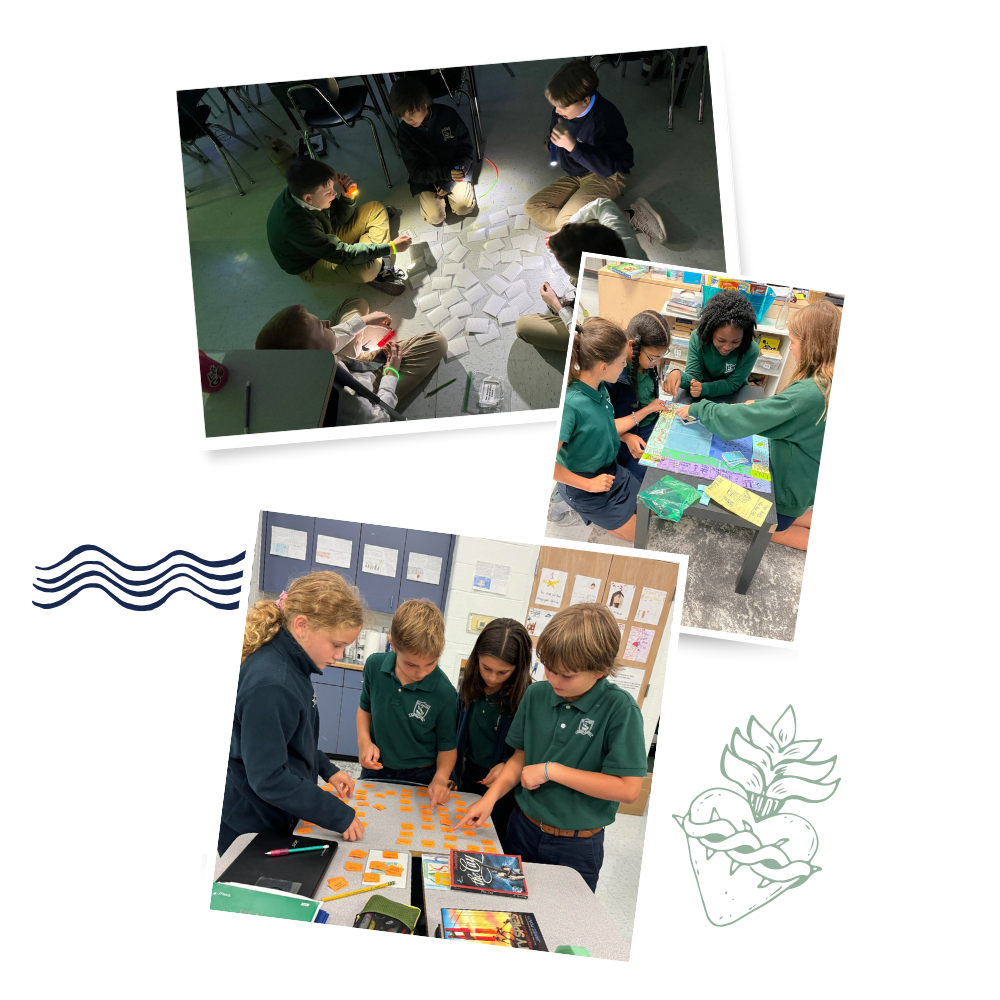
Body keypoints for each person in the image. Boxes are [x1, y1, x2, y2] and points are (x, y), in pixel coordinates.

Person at [457, 604, 647, 892]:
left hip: (577, 844)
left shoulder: (620, 710)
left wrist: (552, 771)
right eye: (549, 669)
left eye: (566, 675)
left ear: (600, 670)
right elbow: (519, 758)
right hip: (522, 828)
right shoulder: (536, 695)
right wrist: (490, 799)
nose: (554, 680)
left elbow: (628, 789)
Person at [219, 572, 366, 855]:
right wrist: (337, 813)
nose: (339, 655)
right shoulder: (273, 683)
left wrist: (327, 769)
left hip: (274, 809)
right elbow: (269, 777)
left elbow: (293, 739)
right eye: (336, 645)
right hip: (253, 822)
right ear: (302, 626)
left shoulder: (293, 665)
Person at [676, 299, 841, 550]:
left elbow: (741, 421)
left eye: (793, 342)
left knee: (771, 531)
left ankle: (785, 524)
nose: (792, 349)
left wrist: (698, 408)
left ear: (811, 345)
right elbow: (776, 410)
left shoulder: (810, 393)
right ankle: (796, 517)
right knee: (790, 515)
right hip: (801, 483)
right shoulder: (822, 381)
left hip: (789, 490)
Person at [552, 318, 667, 540]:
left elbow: (605, 427)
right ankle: (573, 503)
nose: (626, 366)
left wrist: (625, 438)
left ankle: (606, 509)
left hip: (611, 470)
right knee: (640, 534)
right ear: (604, 367)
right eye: (623, 361)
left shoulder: (600, 387)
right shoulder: (571, 405)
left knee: (650, 509)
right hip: (585, 485)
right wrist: (588, 484)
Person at [255, 299, 447, 424]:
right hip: (362, 390)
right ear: (316, 355)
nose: (327, 323)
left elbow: (332, 340)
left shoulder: (302, 366)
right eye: (321, 327)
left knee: (357, 304)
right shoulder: (344, 402)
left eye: (320, 320)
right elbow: (379, 419)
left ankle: (355, 348)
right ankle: (370, 361)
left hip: (348, 366)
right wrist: (391, 374)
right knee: (437, 342)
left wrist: (364, 321)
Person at [356, 599, 457, 807]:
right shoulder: (374, 666)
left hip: (419, 776)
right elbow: (364, 710)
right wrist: (364, 742)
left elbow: (447, 747)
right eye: (411, 664)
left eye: (431, 663)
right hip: (376, 768)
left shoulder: (445, 692)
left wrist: (440, 778)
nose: (421, 672)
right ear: (392, 644)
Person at [266, 157, 410, 295]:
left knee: (376, 209)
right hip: (311, 261)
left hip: (326, 235)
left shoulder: (308, 191)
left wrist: (347, 198)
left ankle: (374, 257)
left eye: (332, 188)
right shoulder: (296, 225)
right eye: (329, 192)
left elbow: (337, 220)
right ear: (308, 199)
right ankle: (380, 269)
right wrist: (391, 247)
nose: (334, 193)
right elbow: (341, 254)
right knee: (368, 270)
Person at [516, 198, 643, 353]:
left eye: (562, 265)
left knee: (523, 326)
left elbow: (585, 335)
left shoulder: (608, 307)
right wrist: (567, 229)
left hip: (612, 334)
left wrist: (557, 305)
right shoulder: (622, 239)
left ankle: (568, 308)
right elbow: (603, 204)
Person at [525, 61, 634, 233]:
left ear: (585, 100)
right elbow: (558, 127)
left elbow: (607, 169)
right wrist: (554, 143)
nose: (557, 111)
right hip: (578, 172)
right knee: (532, 206)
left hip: (609, 174)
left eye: (562, 107)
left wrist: (572, 147)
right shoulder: (563, 110)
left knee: (566, 222)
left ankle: (630, 217)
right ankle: (572, 228)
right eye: (555, 106)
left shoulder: (604, 120)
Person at [450, 618, 533, 842]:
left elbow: (527, 753)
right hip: (469, 778)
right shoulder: (468, 685)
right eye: (486, 668)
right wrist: (452, 773)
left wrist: (506, 765)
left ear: (518, 669)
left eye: (502, 672)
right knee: (460, 837)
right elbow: (457, 735)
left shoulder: (527, 697)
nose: (492, 677)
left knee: (490, 841)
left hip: (505, 788)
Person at [389, 77, 476, 226]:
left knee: (464, 207)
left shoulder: (448, 115)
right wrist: (443, 176)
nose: (408, 119)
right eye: (402, 115)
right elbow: (416, 172)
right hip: (428, 178)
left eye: (412, 112)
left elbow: (466, 150)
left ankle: (452, 193)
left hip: (454, 169)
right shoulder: (404, 133)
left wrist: (450, 179)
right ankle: (439, 198)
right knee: (435, 217)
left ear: (424, 102)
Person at [607, 310, 672, 480]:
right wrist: (626, 436)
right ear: (632, 346)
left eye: (661, 357)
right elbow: (603, 425)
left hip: (653, 425)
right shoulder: (613, 375)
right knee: (650, 478)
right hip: (629, 438)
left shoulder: (647, 364)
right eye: (654, 358)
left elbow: (648, 397)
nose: (657, 363)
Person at [663, 289, 761, 403]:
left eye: (735, 341)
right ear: (710, 331)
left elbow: (732, 384)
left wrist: (705, 388)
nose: (727, 347)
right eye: (721, 340)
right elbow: (693, 377)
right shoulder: (698, 338)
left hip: (733, 396)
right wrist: (678, 374)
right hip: (701, 394)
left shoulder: (751, 350)